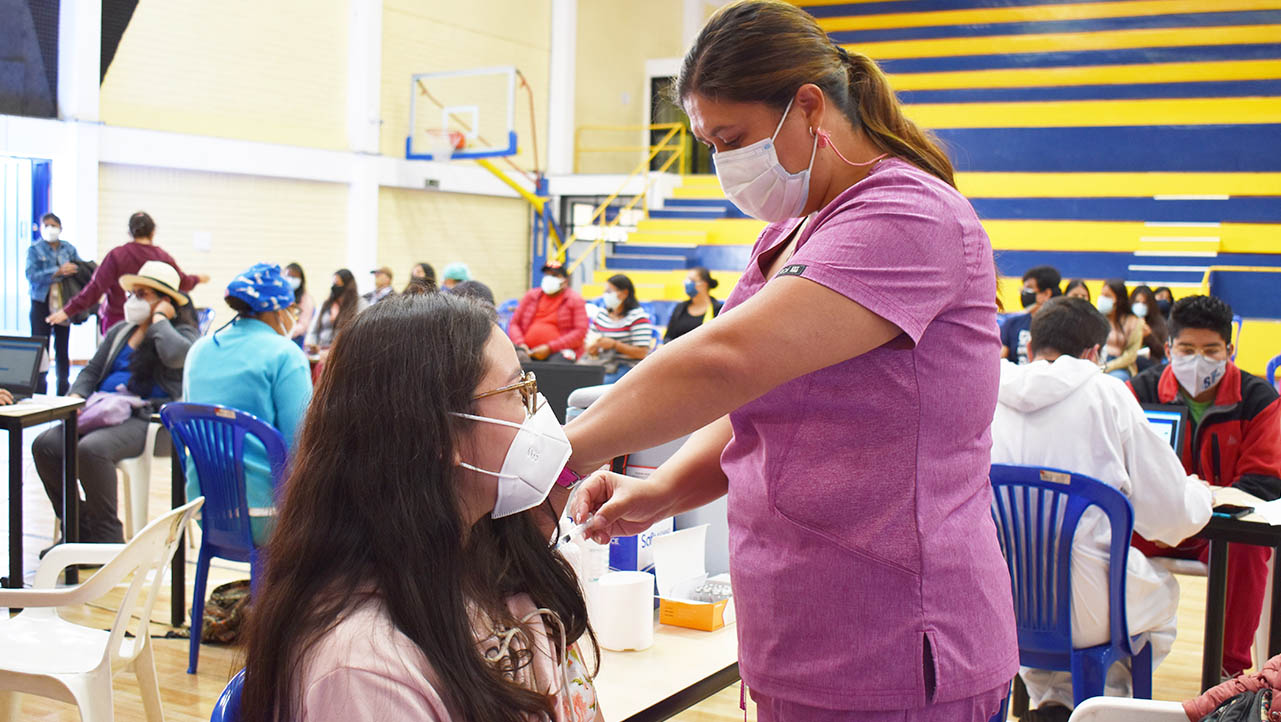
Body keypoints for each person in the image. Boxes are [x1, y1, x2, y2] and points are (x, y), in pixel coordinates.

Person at [560, 3, 1017, 718]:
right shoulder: (791, 232)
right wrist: (662, 493)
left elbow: (725, 361)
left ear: (808, 107)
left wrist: (552, 458)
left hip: (894, 640)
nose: (722, 163)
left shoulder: (907, 217)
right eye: (708, 143)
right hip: (795, 631)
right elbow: (759, 405)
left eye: (731, 138)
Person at [238, 294, 599, 722]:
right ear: (442, 435)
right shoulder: (364, 672)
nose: (535, 412)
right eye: (519, 391)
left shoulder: (482, 559)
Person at [990, 297, 1211, 721]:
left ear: (1031, 348)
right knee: (1162, 598)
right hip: (1088, 609)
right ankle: (1098, 707)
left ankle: (1054, 704)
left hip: (1003, 602)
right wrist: (1199, 494)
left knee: (1061, 601)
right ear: (1095, 353)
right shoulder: (1108, 394)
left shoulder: (991, 395)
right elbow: (1170, 517)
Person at [1130, 295, 1281, 678]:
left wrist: (1199, 503)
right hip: (1154, 526)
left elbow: (1263, 481)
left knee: (1250, 546)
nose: (1198, 360)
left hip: (1222, 529)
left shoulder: (1258, 400)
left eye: (1211, 350)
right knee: (1101, 532)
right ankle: (1116, 653)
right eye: (1187, 349)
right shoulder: (1138, 393)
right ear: (1168, 349)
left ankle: (1227, 672)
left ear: (1230, 349)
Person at [32, 261, 200, 545]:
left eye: (143, 293)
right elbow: (92, 371)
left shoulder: (183, 333)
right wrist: (76, 396)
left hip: (147, 420)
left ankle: (107, 538)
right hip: (100, 412)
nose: (134, 299)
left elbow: (176, 357)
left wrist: (159, 321)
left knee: (91, 449)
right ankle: (78, 527)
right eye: (134, 292)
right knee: (45, 444)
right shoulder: (121, 331)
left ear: (166, 301)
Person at [183, 263, 312, 545]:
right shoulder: (285, 354)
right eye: (293, 310)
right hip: (268, 514)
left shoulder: (198, 351)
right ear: (279, 310)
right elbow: (302, 441)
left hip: (205, 509)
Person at [47, 211, 208, 334]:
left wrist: (67, 310)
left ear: (130, 232)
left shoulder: (117, 255)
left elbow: (95, 288)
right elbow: (181, 282)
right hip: (148, 326)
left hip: (116, 325)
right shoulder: (162, 256)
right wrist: (198, 279)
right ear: (153, 232)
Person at [25, 212, 84, 395]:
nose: (50, 229)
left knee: (62, 347)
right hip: (41, 302)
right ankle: (39, 389)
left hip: (63, 304)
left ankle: (63, 389)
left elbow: (81, 269)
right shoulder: (35, 249)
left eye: (53, 225)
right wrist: (57, 271)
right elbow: (31, 275)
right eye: (46, 225)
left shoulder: (69, 249)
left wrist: (72, 269)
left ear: (60, 228)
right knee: (41, 348)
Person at [508, 261, 588, 362]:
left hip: (560, 350)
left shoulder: (575, 299)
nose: (550, 278)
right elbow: (514, 324)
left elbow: (580, 332)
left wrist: (550, 348)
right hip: (527, 350)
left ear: (565, 280)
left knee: (557, 365)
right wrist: (521, 344)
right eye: (547, 275)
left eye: (554, 275)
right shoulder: (531, 296)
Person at [583, 274, 653, 384]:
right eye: (605, 291)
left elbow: (642, 353)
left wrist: (615, 345)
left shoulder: (638, 317)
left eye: (609, 291)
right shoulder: (602, 315)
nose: (605, 295)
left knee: (598, 386)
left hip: (627, 367)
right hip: (603, 363)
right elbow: (590, 342)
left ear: (624, 293)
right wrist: (593, 349)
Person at [1001, 265, 1061, 365]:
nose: (1023, 293)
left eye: (1029, 288)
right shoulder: (1012, 324)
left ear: (1046, 294)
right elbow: (1000, 358)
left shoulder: (1061, 326)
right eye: (1023, 288)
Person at [305, 269, 368, 359]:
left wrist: (335, 352)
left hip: (345, 356)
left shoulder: (360, 305)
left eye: (337, 284)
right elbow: (313, 330)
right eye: (333, 283)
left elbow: (361, 335)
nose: (334, 287)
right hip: (320, 355)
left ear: (348, 286)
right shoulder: (326, 304)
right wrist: (312, 344)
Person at [1098, 278, 1142, 381]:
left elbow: (1131, 355)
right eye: (1102, 295)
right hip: (1097, 361)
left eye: (1108, 296)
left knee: (1113, 380)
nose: (1102, 299)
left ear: (1119, 300)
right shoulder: (1097, 318)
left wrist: (1107, 367)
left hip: (1120, 367)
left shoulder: (1134, 322)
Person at [664, 267, 724, 342]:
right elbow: (668, 337)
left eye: (692, 280)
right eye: (687, 280)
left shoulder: (718, 310)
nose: (687, 283)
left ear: (704, 284)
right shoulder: (680, 308)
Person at [1130, 284, 1169, 371]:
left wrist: (1149, 336)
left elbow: (1162, 352)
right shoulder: (1126, 321)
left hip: (1150, 364)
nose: (1140, 306)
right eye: (1137, 302)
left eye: (1144, 303)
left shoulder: (1159, 323)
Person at [284, 262, 315, 350]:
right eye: (288, 276)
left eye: (294, 277)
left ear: (301, 280)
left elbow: (303, 325)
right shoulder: (281, 296)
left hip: (296, 340)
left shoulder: (306, 299)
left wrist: (287, 333)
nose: (290, 280)